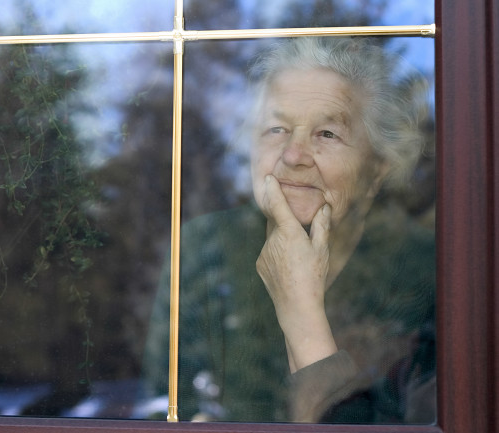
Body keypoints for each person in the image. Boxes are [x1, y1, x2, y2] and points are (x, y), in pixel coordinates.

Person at [141, 37, 435, 424]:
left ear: (376, 169)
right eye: (276, 129)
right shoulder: (202, 246)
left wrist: (302, 313)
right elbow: (164, 403)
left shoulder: (426, 270)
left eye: (326, 134)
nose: (293, 155)